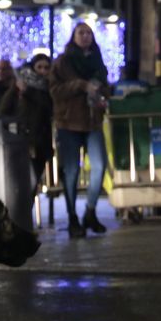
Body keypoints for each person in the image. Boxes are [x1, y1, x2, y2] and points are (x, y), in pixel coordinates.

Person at [49, 22, 111, 238]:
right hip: (69, 123)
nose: (85, 36)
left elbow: (105, 85)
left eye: (89, 33)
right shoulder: (63, 61)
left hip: (92, 120)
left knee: (100, 165)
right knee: (72, 171)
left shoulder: (97, 60)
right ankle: (72, 216)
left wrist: (102, 93)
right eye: (81, 32)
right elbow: (55, 90)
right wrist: (80, 85)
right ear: (73, 36)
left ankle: (90, 211)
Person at [0, 53, 54, 186]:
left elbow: (48, 106)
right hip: (21, 138)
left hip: (40, 141)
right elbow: (3, 108)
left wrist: (28, 91)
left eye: (46, 68)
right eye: (39, 67)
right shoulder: (21, 83)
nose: (43, 71)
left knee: (34, 180)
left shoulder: (50, 86)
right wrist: (16, 88)